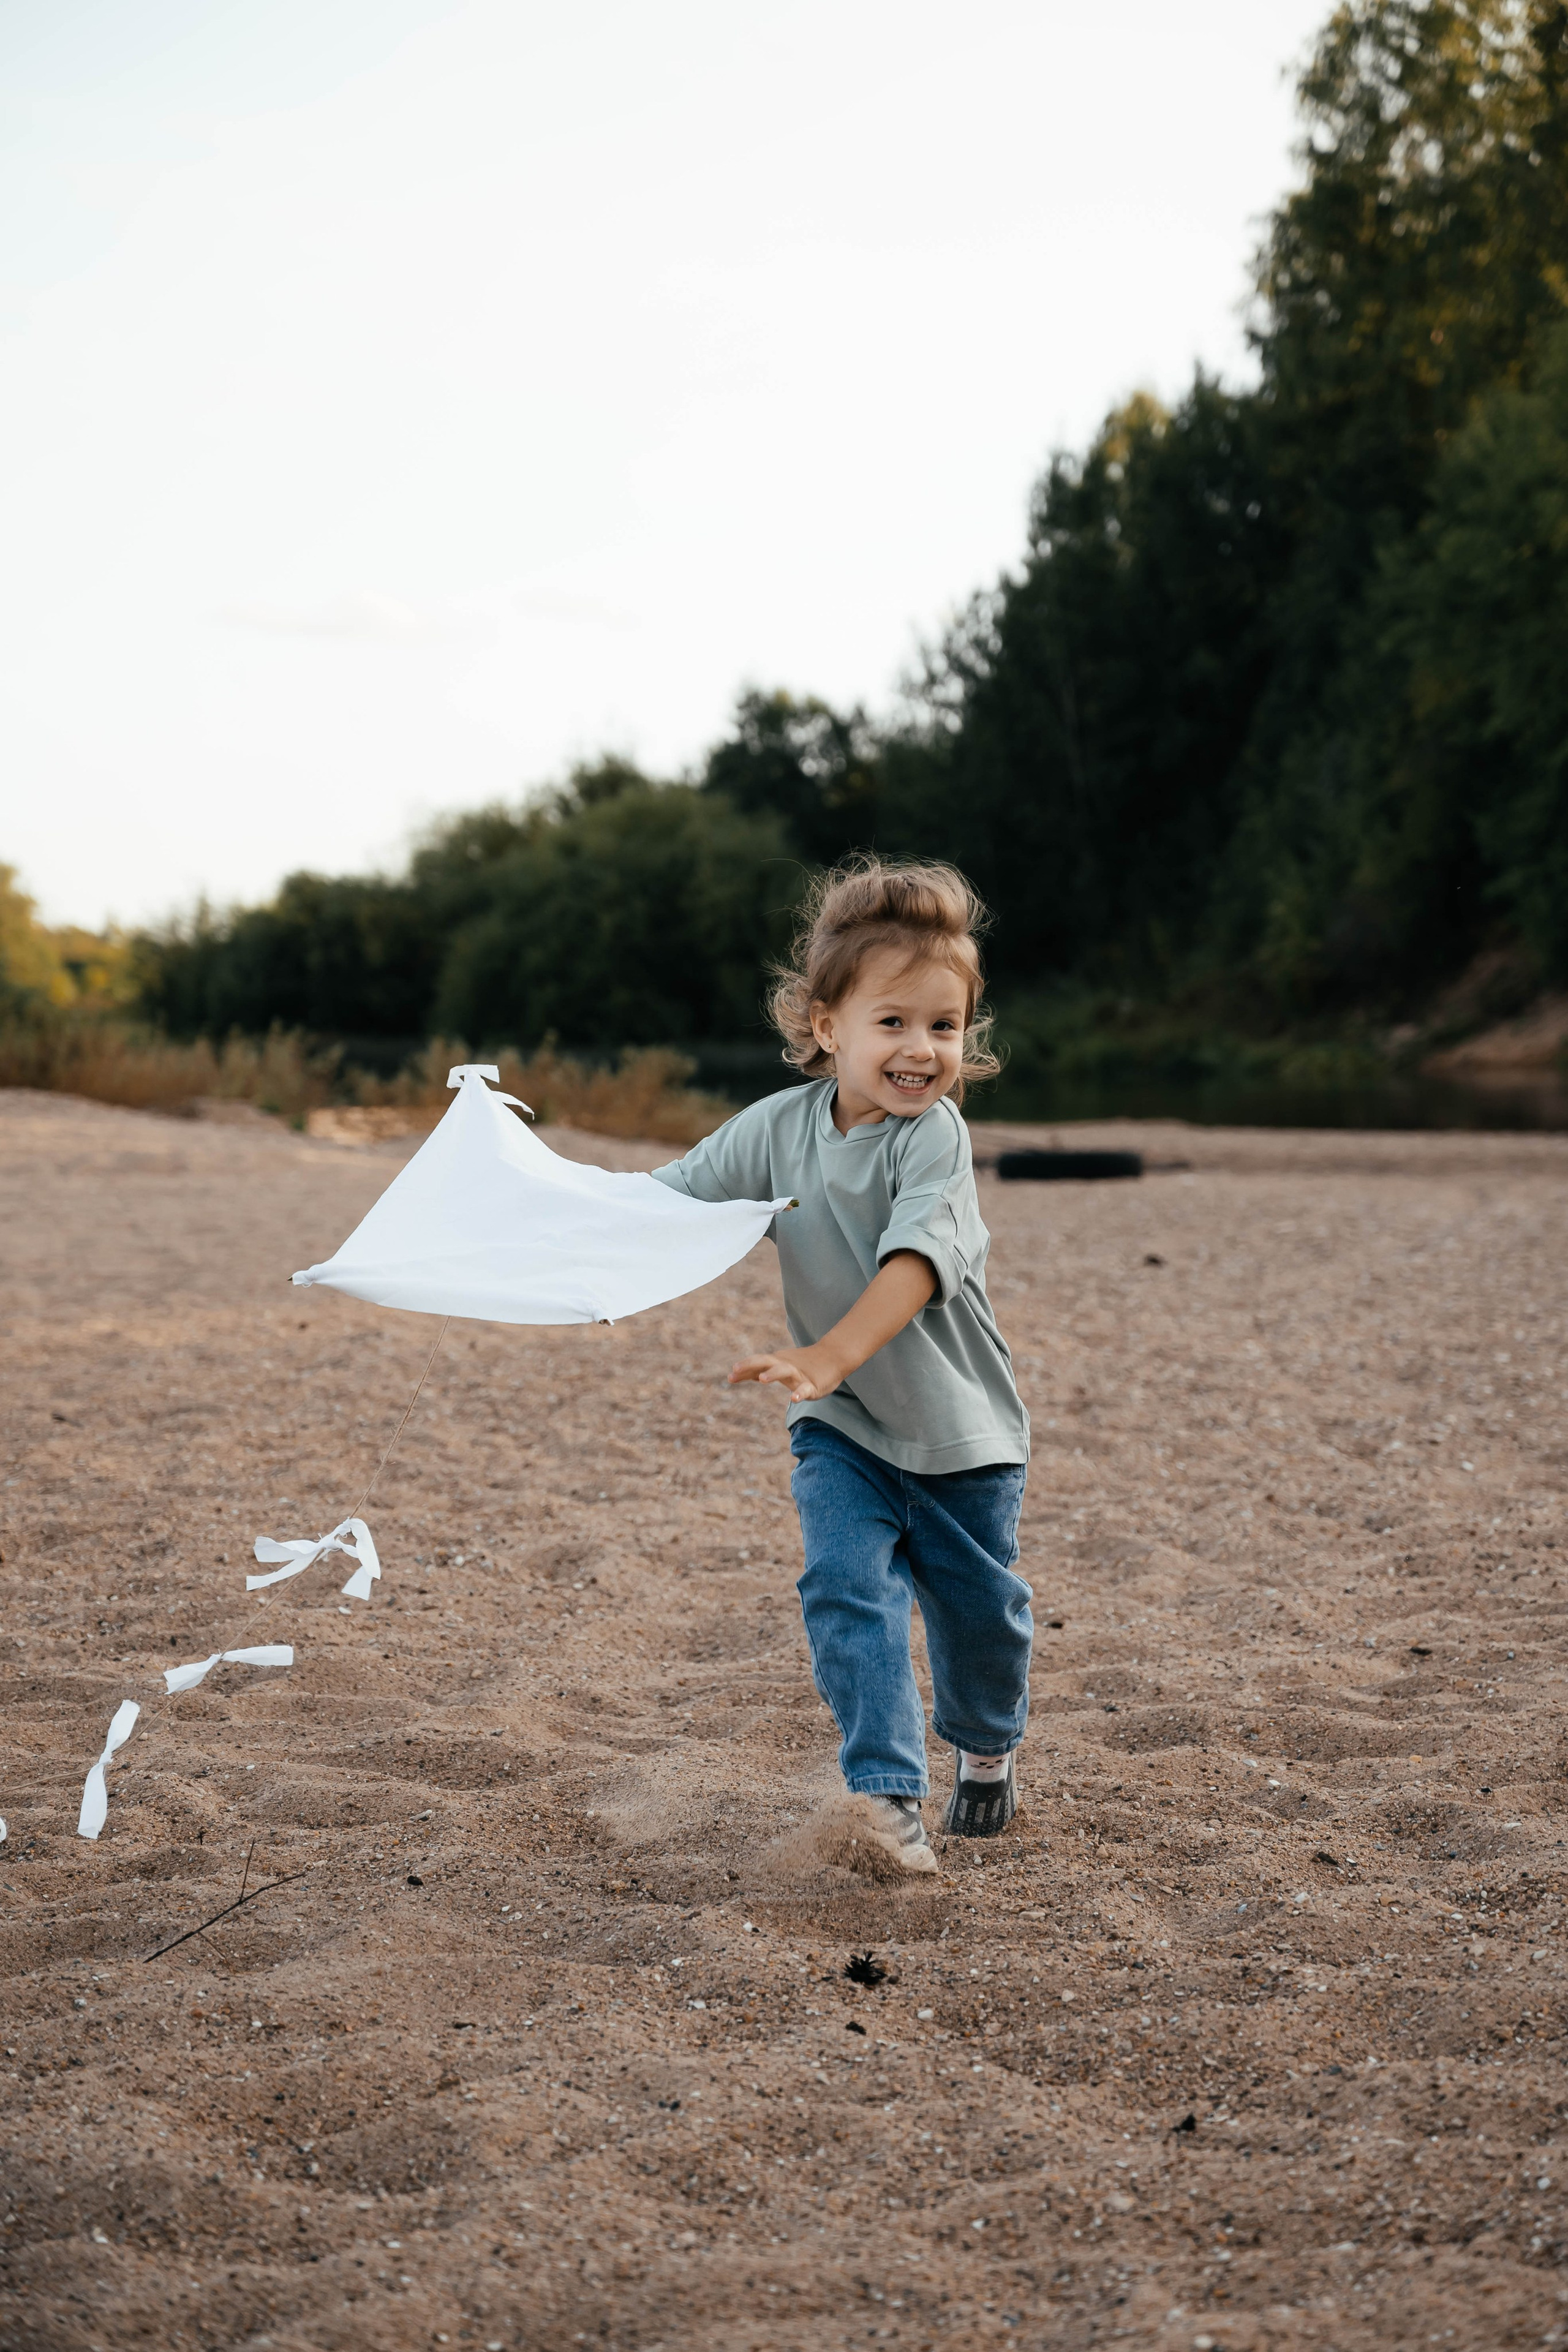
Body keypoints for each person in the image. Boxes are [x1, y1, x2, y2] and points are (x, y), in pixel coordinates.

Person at [650, 859, 1031, 1872]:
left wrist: (827, 1352)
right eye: (894, 1023)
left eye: (944, 1027)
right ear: (827, 1027)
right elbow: (666, 1200)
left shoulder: (934, 1141)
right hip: (844, 1426)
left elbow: (913, 1267)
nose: (922, 1050)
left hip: (961, 1434)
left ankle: (986, 1752)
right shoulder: (776, 1130)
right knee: (843, 1586)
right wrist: (550, 1227)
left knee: (979, 1623)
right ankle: (887, 1794)